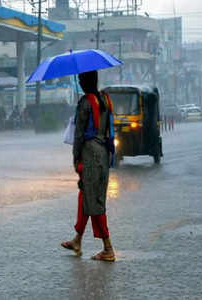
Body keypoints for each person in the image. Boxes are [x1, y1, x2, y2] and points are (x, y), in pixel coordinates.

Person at [61, 70, 116, 262]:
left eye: (80, 79)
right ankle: (77, 239)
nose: (80, 82)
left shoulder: (85, 103)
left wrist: (76, 158)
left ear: (85, 82)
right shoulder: (106, 100)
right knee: (86, 196)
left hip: (90, 155)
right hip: (103, 153)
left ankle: (108, 248)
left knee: (95, 202)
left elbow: (78, 135)